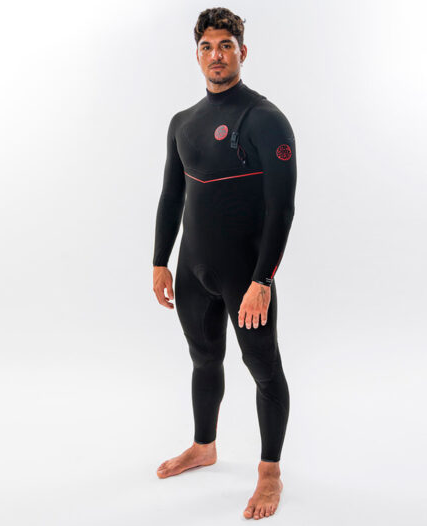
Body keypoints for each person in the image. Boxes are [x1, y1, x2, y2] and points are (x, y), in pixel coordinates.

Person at [152, 7, 297, 521]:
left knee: (264, 369)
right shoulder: (182, 123)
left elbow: (282, 209)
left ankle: (269, 470)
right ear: (197, 55)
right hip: (193, 271)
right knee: (204, 359)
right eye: (207, 47)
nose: (217, 55)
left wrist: (263, 279)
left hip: (246, 275)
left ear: (242, 52)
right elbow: (172, 197)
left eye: (226, 46)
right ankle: (204, 446)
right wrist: (160, 261)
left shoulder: (265, 119)